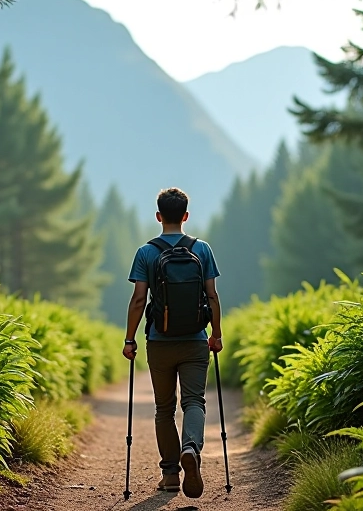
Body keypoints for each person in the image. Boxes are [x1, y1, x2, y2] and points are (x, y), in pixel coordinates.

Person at [121, 187, 223, 499]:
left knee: (163, 408)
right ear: (186, 216)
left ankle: (169, 475)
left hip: (159, 342)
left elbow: (139, 299)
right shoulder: (202, 249)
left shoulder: (146, 253)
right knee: (194, 402)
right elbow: (212, 296)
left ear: (158, 216)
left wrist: (129, 339)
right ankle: (190, 447)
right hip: (194, 340)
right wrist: (215, 335)